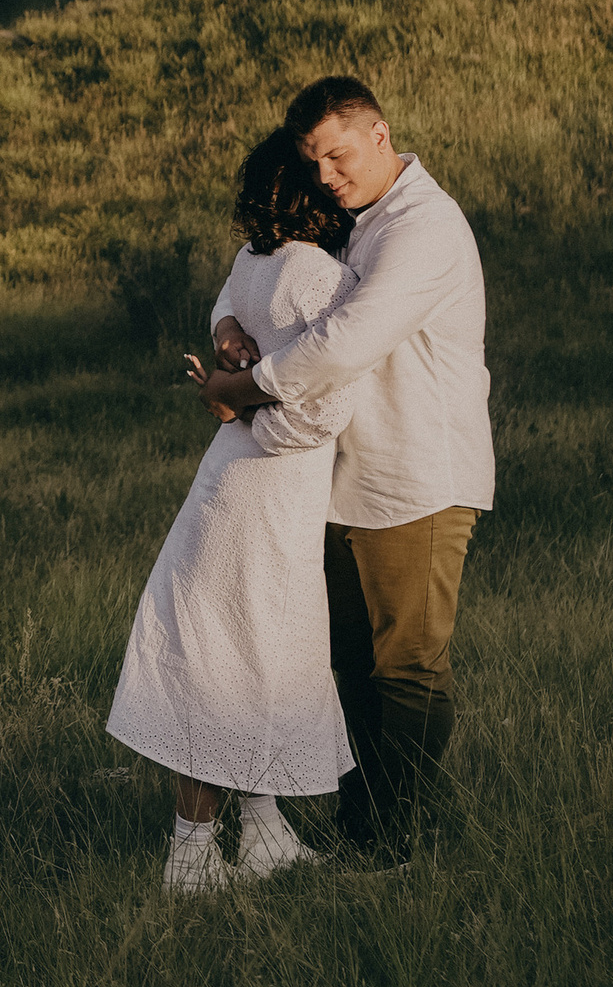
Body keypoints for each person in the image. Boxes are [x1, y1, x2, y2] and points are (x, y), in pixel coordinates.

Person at [192, 76, 494, 856]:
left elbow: (343, 343)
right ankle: (365, 832)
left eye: (338, 154)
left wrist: (239, 388)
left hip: (417, 479)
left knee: (408, 668)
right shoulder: (344, 222)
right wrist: (227, 329)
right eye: (313, 161)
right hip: (337, 482)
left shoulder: (423, 227)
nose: (325, 174)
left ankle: (395, 841)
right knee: (352, 668)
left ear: (380, 134)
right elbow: (247, 274)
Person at [107, 131, 353, 894]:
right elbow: (324, 413)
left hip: (231, 482)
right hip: (270, 490)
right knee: (235, 660)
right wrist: (248, 412)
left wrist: (225, 344)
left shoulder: (255, 259)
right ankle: (192, 854)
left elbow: (226, 303)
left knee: (247, 653)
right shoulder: (319, 275)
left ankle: (264, 831)